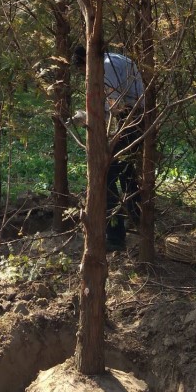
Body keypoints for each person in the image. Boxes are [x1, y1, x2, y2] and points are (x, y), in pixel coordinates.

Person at [70, 44, 145, 251]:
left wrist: (89, 116)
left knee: (107, 176)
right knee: (127, 172)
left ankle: (115, 236)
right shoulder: (113, 59)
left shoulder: (106, 66)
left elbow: (115, 106)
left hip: (129, 119)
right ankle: (138, 218)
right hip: (135, 118)